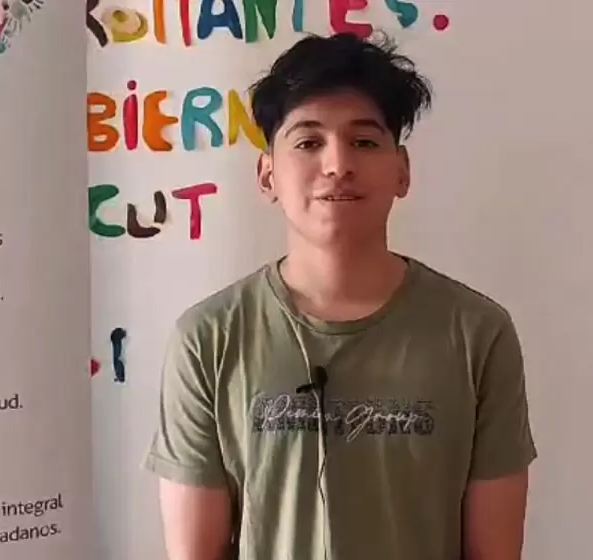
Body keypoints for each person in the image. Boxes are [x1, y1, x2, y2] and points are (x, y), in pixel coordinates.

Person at [142, 31, 537, 560]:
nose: (337, 165)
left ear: (402, 171)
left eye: (364, 142)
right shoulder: (208, 338)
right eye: (308, 142)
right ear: (267, 174)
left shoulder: (478, 333)